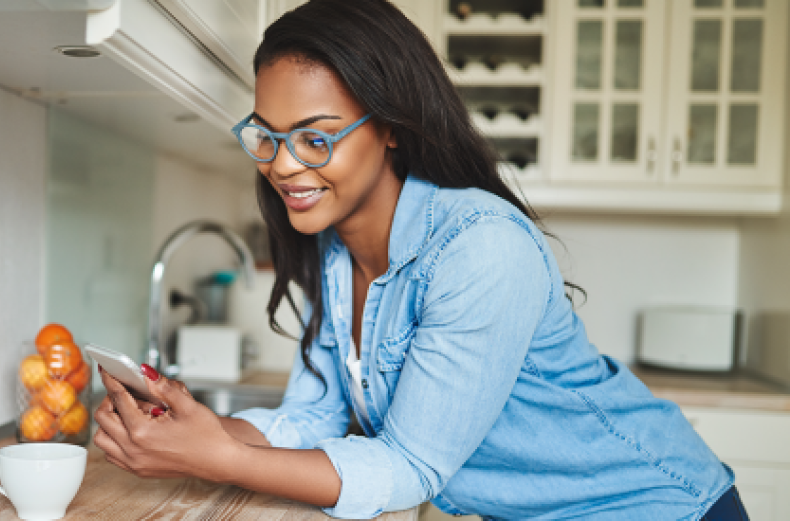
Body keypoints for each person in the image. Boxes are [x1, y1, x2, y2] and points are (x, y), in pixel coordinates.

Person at [92, 1, 748, 519]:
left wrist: (216, 457)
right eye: (270, 136)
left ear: (391, 128)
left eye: (316, 138)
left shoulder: (481, 249)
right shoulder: (334, 246)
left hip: (657, 506)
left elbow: (410, 465)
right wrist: (196, 428)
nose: (284, 165)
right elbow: (309, 418)